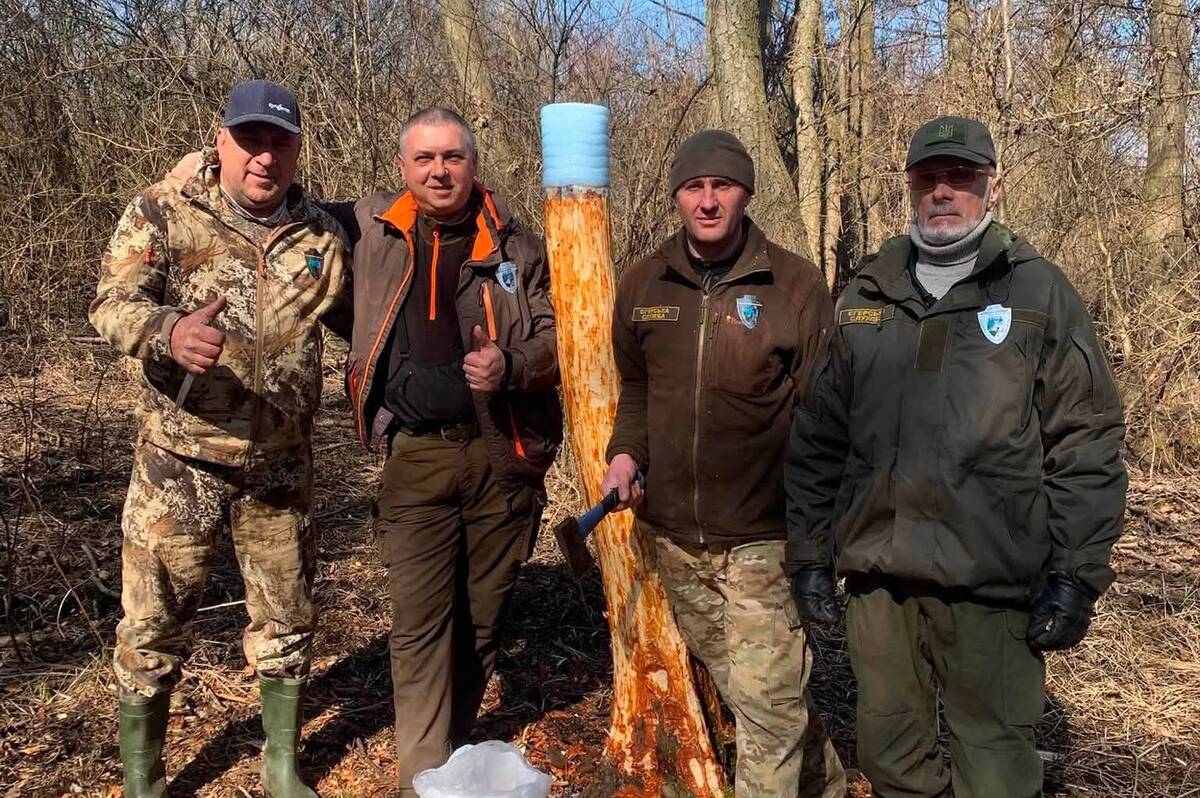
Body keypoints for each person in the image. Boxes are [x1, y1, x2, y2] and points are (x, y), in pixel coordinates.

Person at [784, 116, 1128, 798]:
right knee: (890, 761)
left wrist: (1077, 574)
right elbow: (818, 438)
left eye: (962, 177)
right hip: (882, 580)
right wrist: (810, 556)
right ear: (911, 188)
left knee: (996, 769)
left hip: (992, 582)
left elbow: (1086, 439)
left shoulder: (1036, 292)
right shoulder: (866, 293)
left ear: (992, 187)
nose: (944, 192)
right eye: (929, 178)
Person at [90, 80, 351, 798]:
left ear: (298, 148)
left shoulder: (323, 233)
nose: (265, 157)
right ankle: (145, 780)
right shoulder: (165, 212)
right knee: (152, 625)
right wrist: (168, 332)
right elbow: (110, 303)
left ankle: (279, 769)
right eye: (250, 139)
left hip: (278, 463)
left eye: (280, 142)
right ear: (220, 138)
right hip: (181, 459)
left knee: (288, 619)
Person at [600, 129, 846, 797]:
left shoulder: (794, 284)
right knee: (758, 692)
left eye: (722, 186)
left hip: (764, 537)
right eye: (693, 187)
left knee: (766, 707)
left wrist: (816, 533)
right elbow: (639, 389)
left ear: (746, 193)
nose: (707, 201)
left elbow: (825, 417)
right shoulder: (644, 283)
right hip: (674, 537)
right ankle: (824, 784)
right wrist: (625, 454)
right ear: (676, 195)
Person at [323, 107, 561, 793]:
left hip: (502, 453)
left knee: (482, 619)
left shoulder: (517, 247)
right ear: (403, 168)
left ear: (473, 164)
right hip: (417, 456)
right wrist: (197, 172)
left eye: (452, 157)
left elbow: (557, 336)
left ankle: (456, 756)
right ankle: (425, 777)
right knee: (421, 623)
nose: (438, 170)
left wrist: (512, 367)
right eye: (424, 158)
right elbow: (280, 203)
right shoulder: (370, 228)